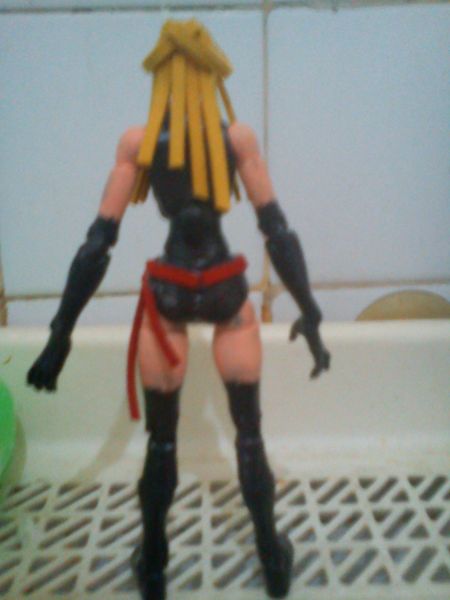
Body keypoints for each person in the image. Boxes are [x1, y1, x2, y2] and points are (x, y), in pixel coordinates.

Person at [27, 19, 330, 600]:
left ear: (161, 74)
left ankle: (155, 566)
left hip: (166, 292)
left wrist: (60, 333)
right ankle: (272, 558)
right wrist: (310, 311)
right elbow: (277, 229)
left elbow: (98, 242)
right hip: (224, 289)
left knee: (160, 443)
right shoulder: (236, 139)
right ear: (211, 72)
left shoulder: (139, 144)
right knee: (249, 435)